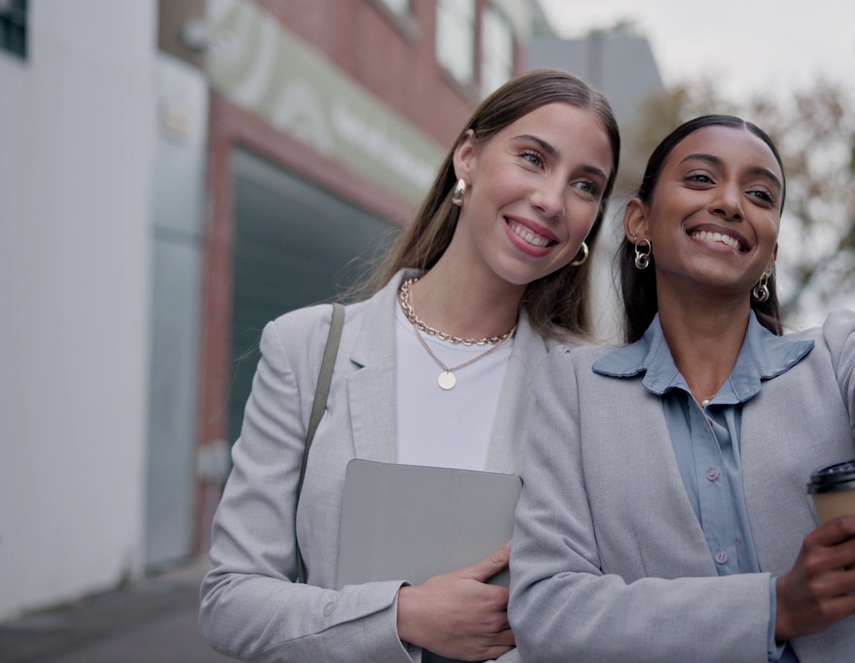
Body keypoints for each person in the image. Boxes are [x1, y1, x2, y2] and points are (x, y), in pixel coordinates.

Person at [508, 107, 855, 662]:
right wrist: (777, 607)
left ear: (771, 252)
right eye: (701, 178)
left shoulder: (837, 358)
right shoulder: (574, 387)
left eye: (762, 195)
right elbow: (548, 611)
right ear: (639, 222)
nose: (729, 202)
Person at [200, 69, 620, 663]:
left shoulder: (583, 386)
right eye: (532, 158)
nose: (552, 200)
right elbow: (231, 601)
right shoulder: (306, 349)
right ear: (468, 158)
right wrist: (401, 616)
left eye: (585, 185)